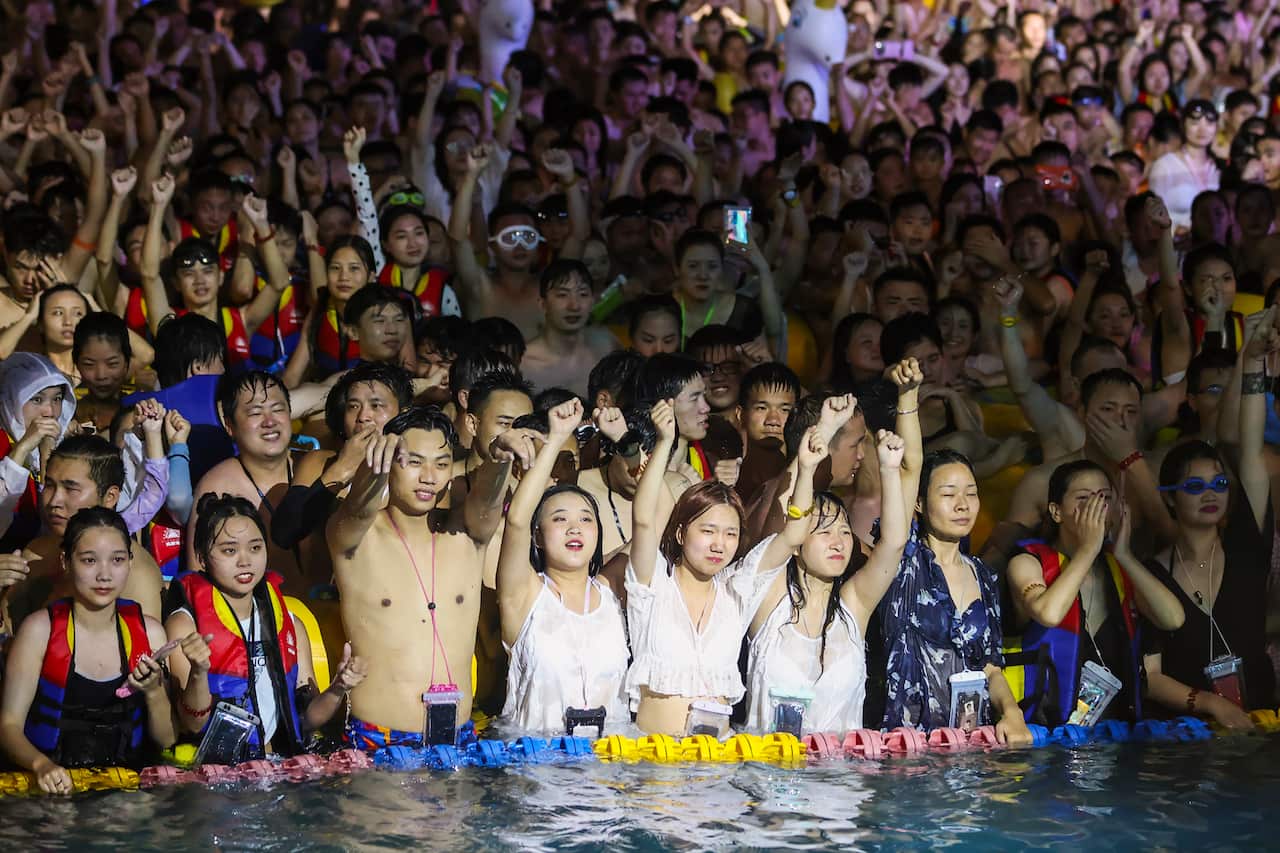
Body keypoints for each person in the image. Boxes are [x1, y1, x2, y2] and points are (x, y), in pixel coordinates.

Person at [625, 398, 822, 736]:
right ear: (681, 532)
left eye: (730, 533)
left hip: (717, 767)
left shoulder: (738, 589)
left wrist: (806, 469)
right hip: (654, 765)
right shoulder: (654, 583)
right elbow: (643, 521)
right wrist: (663, 444)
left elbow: (793, 536)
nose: (719, 543)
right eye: (708, 530)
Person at [326, 407, 510, 747]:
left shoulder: (467, 535)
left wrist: (499, 460)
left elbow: (487, 501)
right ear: (389, 462)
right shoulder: (355, 540)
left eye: (441, 464)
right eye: (413, 462)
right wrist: (372, 469)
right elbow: (357, 508)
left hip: (459, 741)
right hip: (380, 743)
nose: (429, 476)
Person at [165, 494, 367, 759]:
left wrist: (339, 687)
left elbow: (307, 719)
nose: (245, 561)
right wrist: (198, 673)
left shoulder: (290, 624)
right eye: (229, 550)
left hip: (279, 763)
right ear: (202, 557)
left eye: (255, 548)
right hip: (218, 770)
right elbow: (192, 725)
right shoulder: (185, 625)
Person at [745, 427, 909, 733]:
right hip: (768, 776)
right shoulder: (769, 598)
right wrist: (806, 470)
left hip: (841, 778)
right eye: (824, 531)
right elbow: (786, 527)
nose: (838, 542)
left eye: (845, 531)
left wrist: (889, 470)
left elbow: (894, 544)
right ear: (797, 544)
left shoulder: (854, 606)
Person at [0, 508, 174, 793]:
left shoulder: (149, 634)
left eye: (117, 560)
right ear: (66, 561)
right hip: (53, 788)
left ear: (130, 563)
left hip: (126, 794)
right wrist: (40, 764)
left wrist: (154, 692)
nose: (104, 574)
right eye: (89, 560)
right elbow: (8, 726)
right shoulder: (39, 632)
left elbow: (167, 740)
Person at [1008, 461, 1184, 726]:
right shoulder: (1027, 563)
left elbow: (1172, 618)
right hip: (1047, 740)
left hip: (1117, 737)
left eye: (1105, 498)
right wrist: (1088, 549)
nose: (1097, 507)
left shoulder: (1121, 568)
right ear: (1056, 512)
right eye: (1084, 499)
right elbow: (1049, 613)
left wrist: (1124, 555)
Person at [494, 398, 629, 734]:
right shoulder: (524, 594)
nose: (574, 528)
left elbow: (654, 523)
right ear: (537, 537)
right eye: (560, 519)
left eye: (586, 519)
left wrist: (624, 440)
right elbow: (516, 522)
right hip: (538, 772)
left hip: (607, 771)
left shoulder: (614, 591)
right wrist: (556, 438)